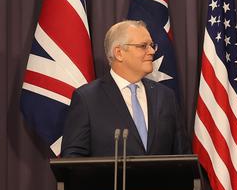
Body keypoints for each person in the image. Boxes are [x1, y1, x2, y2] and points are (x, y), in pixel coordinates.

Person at [61, 20, 189, 157]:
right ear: (119, 53)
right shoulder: (87, 98)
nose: (151, 51)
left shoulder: (165, 96)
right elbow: (73, 158)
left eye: (152, 45)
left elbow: (183, 157)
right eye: (143, 46)